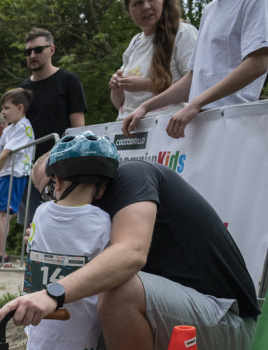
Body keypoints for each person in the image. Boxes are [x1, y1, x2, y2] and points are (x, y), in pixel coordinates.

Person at [0, 156, 259, 350]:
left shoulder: (132, 175)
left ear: (68, 175)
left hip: (225, 324)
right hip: (192, 323)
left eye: (51, 188)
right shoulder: (98, 206)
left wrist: (52, 294)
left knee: (118, 289)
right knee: (67, 331)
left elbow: (130, 255)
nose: (52, 200)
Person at [21, 133, 118, 350]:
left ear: (57, 181)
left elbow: (32, 250)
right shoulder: (104, 221)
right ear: (99, 187)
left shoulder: (41, 214)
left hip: (44, 312)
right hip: (84, 313)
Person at [121, 0, 268, 139]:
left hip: (235, 123)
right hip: (201, 126)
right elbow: (194, 78)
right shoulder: (210, 10)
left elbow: (258, 63)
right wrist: (145, 107)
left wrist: (196, 103)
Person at [19, 28, 87, 225]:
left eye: (38, 49)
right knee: (32, 228)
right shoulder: (21, 90)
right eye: (28, 51)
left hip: (61, 167)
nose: (32, 55)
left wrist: (78, 163)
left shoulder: (68, 80)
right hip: (28, 170)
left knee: (59, 224)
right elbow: (13, 130)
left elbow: (79, 128)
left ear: (52, 50)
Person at [110, 0, 197, 119]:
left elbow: (197, 87)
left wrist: (147, 85)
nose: (146, 6)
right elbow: (121, 104)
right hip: (128, 130)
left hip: (168, 128)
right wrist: (116, 88)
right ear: (129, 11)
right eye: (138, 3)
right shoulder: (135, 42)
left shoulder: (183, 32)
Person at [0, 88, 34, 269]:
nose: (3, 112)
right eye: (2, 108)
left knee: (1, 214)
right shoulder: (9, 129)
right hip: (4, 175)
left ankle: (1, 255)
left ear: (20, 108)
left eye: (6, 108)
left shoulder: (23, 127)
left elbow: (4, 154)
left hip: (14, 174)